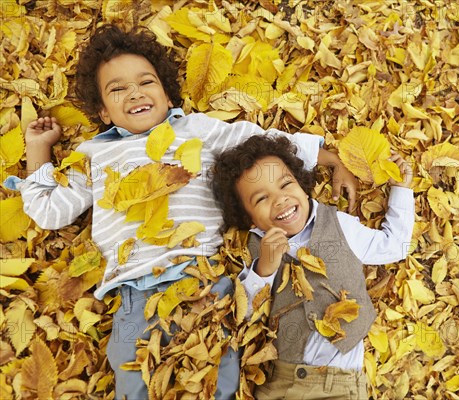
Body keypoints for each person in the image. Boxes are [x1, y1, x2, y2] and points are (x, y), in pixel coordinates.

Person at [6, 24, 358, 400]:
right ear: (103, 112)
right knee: (132, 383)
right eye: (118, 89)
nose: (136, 93)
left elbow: (258, 142)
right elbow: (49, 211)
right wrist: (38, 149)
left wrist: (329, 158)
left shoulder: (196, 129)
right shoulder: (96, 154)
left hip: (205, 285)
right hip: (134, 296)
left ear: (167, 92)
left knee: (217, 382)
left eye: (147, 82)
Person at [211, 135, 415, 399]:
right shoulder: (252, 249)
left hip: (339, 385)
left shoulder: (339, 224)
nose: (280, 199)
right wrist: (264, 269)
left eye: (286, 184)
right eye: (262, 199)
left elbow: (394, 247)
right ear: (249, 220)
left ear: (302, 186)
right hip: (279, 383)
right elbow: (245, 315)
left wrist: (401, 189)